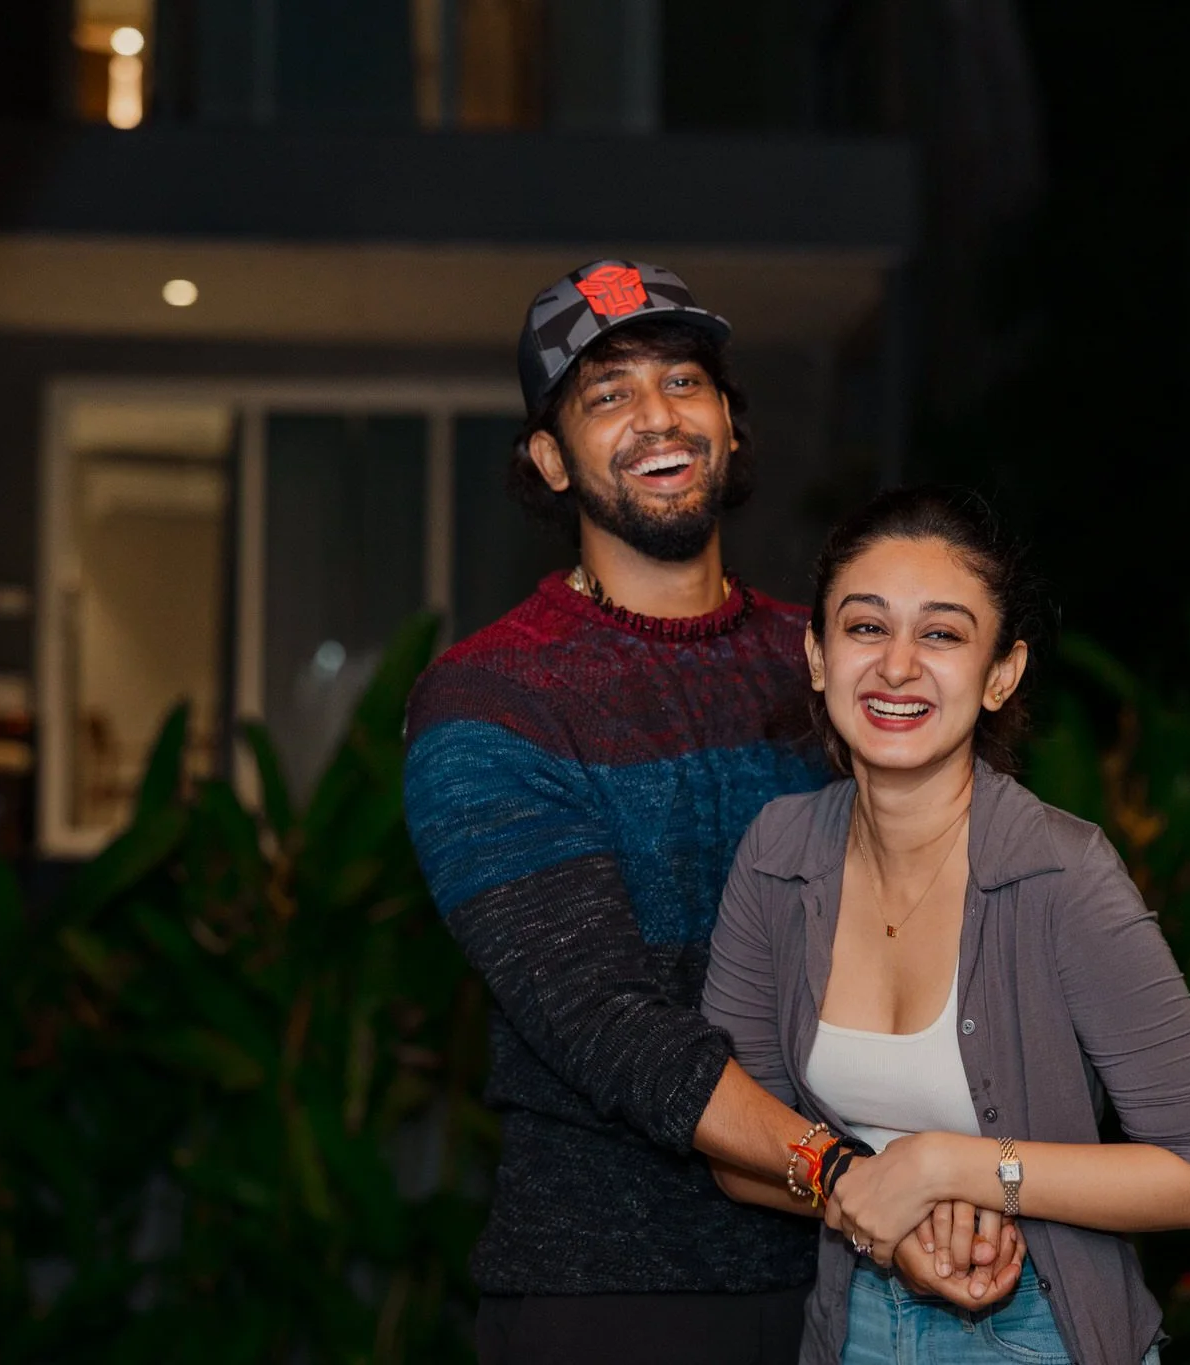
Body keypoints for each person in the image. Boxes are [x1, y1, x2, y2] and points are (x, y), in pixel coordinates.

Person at [401, 263, 1021, 1365]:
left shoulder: (837, 670)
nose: (657, 416)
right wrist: (850, 1181)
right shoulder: (489, 701)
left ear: (730, 426)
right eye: (605, 395)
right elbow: (609, 1025)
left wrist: (965, 1182)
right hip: (615, 1295)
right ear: (549, 461)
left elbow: (962, 925)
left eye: (683, 380)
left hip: (870, 1288)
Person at [702, 486, 1190, 1365]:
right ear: (815, 654)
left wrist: (956, 1168)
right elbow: (742, 1149)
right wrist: (880, 1204)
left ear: (1002, 673)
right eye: (866, 627)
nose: (897, 665)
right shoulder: (777, 854)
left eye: (943, 633)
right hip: (851, 1329)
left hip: (1045, 1330)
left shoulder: (1059, 872)